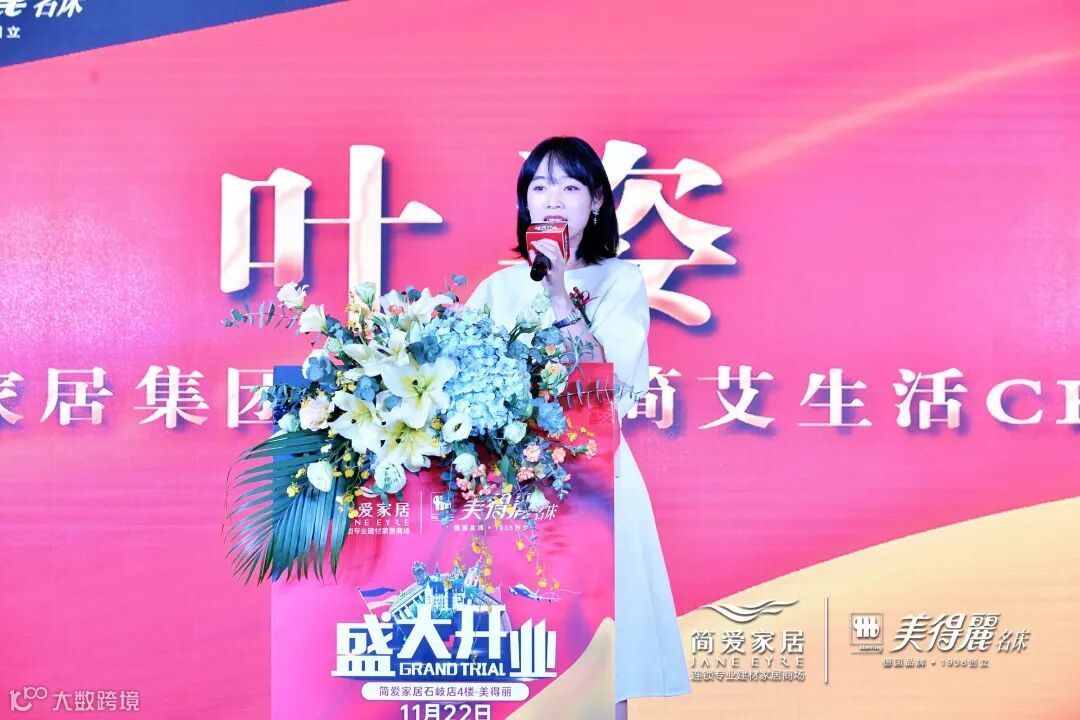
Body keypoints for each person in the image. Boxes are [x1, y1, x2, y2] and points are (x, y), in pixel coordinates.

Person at [465, 136, 690, 717]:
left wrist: (560, 293)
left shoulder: (620, 281)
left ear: (595, 202)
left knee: (596, 652)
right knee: (516, 652)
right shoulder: (495, 289)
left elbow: (605, 389)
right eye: (539, 186)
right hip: (507, 489)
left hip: (593, 484)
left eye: (569, 186)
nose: (552, 199)